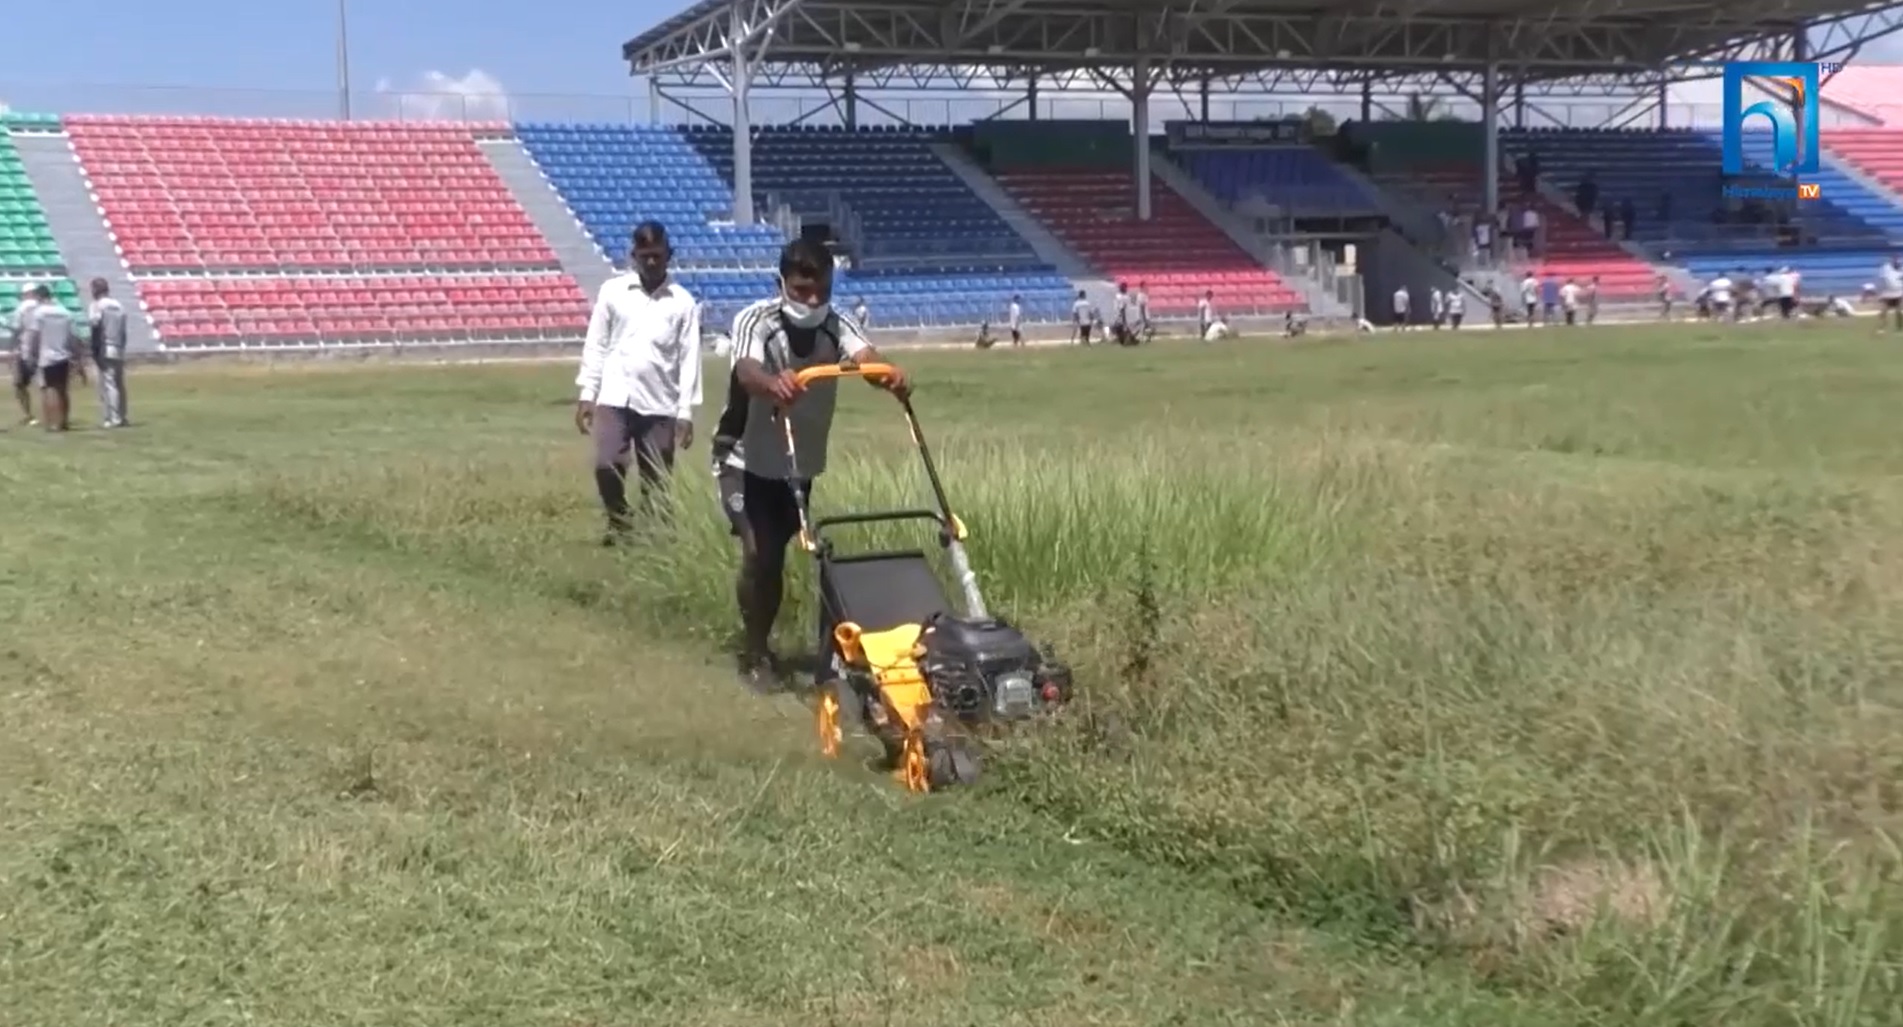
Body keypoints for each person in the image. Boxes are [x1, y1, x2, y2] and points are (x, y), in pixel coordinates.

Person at [710, 237, 909, 689]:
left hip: (798, 464)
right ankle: (755, 652)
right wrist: (769, 383)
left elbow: (865, 358)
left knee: (779, 555)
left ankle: (813, 647)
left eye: (821, 290)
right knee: (761, 553)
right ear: (781, 284)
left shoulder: (836, 326)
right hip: (743, 458)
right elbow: (746, 369)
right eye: (802, 291)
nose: (813, 300)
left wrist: (888, 376)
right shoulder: (756, 321)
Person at [574, 221, 703, 545]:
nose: (650, 262)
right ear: (633, 256)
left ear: (669, 255)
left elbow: (689, 359)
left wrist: (685, 412)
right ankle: (619, 521)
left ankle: (657, 535)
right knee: (607, 465)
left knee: (656, 476)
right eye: (644, 255)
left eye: (657, 256)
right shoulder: (613, 292)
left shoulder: (682, 302)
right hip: (614, 396)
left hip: (660, 402)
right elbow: (597, 343)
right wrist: (588, 393)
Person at [20, 284, 81, 432]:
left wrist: (28, 354)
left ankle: (52, 422)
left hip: (46, 355)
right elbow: (73, 336)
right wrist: (77, 355)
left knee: (49, 390)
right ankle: (64, 421)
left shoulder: (38, 313)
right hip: (64, 354)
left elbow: (33, 335)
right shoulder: (65, 312)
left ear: (39, 297)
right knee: (63, 390)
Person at [87, 278, 129, 428]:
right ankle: (122, 415)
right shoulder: (119, 305)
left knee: (108, 383)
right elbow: (124, 330)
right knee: (119, 383)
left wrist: (94, 349)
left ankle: (112, 417)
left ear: (96, 290)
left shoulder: (97, 306)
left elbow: (95, 325)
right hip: (119, 346)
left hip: (105, 347)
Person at [8, 283, 39, 426]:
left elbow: (16, 328)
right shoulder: (44, 307)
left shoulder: (21, 309)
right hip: (42, 348)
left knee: (20, 384)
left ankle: (29, 415)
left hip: (24, 348)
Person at [1877, 255, 1903, 333]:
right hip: (1888, 293)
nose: (1897, 263)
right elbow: (1882, 279)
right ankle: (1882, 327)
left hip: (1899, 293)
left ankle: (1900, 328)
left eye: (1898, 262)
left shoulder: (1901, 269)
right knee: (1883, 311)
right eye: (1895, 261)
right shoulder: (1886, 268)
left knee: (1898, 311)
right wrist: (1880, 293)